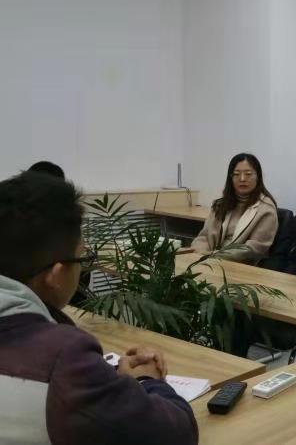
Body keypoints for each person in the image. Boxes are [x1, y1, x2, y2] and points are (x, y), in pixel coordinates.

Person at [0, 172, 198, 444]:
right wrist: (146, 381)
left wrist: (108, 381)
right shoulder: (63, 358)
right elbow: (176, 434)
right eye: (83, 257)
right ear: (56, 275)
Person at [192, 153, 278, 264]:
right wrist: (200, 253)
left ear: (258, 177)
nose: (242, 179)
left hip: (242, 265)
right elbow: (204, 237)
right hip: (211, 260)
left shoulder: (266, 209)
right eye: (236, 174)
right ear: (230, 178)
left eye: (248, 174)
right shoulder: (220, 204)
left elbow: (253, 248)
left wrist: (213, 256)